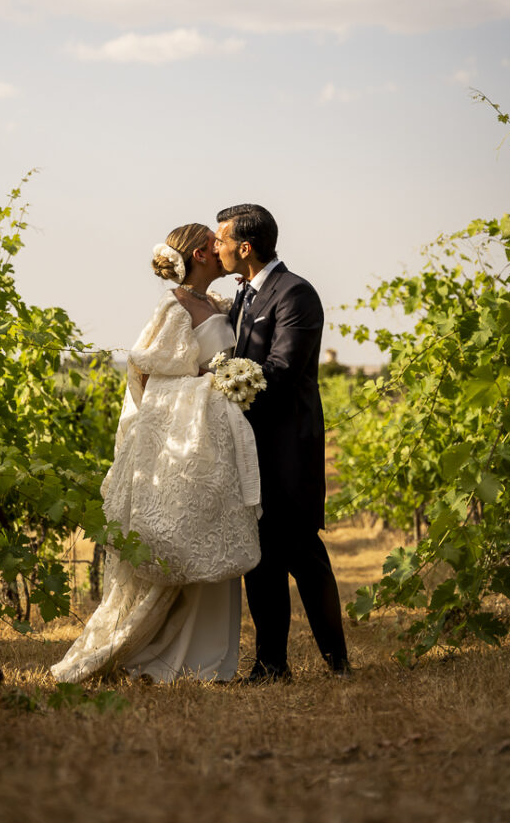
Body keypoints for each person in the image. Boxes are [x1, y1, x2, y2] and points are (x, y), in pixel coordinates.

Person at [50, 223, 261, 684]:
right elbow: (148, 375)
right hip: (190, 443)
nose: (221, 248)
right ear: (201, 253)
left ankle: (213, 659)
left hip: (217, 443)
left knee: (215, 537)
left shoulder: (219, 304)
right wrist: (210, 384)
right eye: (215, 243)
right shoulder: (175, 306)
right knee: (187, 541)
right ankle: (174, 659)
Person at [214, 204, 350, 681]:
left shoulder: (295, 293)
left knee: (304, 554)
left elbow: (283, 370)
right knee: (261, 559)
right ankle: (271, 665)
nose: (216, 247)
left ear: (244, 248)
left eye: (221, 240)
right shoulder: (243, 295)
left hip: (288, 448)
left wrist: (218, 384)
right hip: (248, 448)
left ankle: (338, 662)